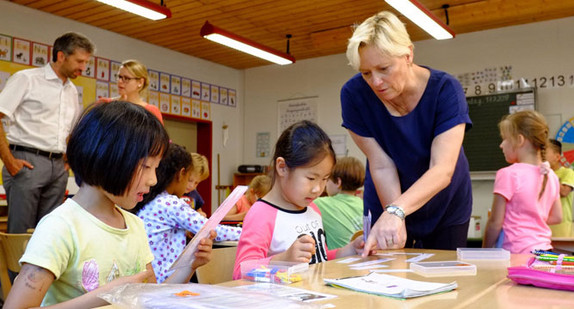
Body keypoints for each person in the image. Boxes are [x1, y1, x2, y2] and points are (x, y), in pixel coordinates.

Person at [4, 101, 216, 308]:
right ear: (108, 158)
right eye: (146, 166)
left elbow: (152, 299)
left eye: (156, 168)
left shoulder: (134, 225)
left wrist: (188, 265)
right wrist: (107, 294)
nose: (153, 180)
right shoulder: (60, 227)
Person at [341, 11, 473, 253]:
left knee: (443, 276)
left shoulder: (446, 90)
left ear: (408, 54)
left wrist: (397, 211)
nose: (376, 82)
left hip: (445, 203)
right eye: (366, 73)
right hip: (386, 197)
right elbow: (380, 164)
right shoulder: (353, 95)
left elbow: (442, 169)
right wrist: (393, 213)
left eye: (384, 68)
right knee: (383, 278)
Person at [232, 120, 369, 280]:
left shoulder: (313, 210)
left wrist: (350, 250)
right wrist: (283, 260)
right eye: (311, 178)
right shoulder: (262, 214)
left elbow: (319, 260)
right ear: (282, 167)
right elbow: (240, 273)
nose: (318, 188)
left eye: (325, 179)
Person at [0, 32, 94, 233]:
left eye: (85, 62)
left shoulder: (71, 91)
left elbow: (69, 132)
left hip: (58, 168)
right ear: (61, 56)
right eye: (79, 61)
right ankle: (15, 268)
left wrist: (67, 162)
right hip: (27, 162)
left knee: (49, 232)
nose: (83, 68)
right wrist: (9, 161)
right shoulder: (27, 79)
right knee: (20, 233)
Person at [134, 143, 241, 283]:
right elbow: (213, 229)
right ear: (181, 174)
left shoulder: (151, 199)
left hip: (156, 281)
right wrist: (251, 233)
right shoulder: (169, 203)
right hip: (166, 284)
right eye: (189, 179)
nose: (190, 187)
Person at [482, 110, 562, 253]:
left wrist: (483, 252)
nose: (501, 145)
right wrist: (532, 220)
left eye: (504, 139)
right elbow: (557, 217)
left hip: (515, 253)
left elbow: (495, 223)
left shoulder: (508, 174)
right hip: (544, 251)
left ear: (519, 140)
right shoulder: (551, 175)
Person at [314, 156, 365, 249]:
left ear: (338, 182)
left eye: (327, 179)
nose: (325, 184)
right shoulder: (364, 204)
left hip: (339, 260)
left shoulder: (321, 204)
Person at [100, 59, 163, 124]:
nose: (120, 81)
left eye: (126, 78)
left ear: (140, 82)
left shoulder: (152, 111)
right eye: (119, 77)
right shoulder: (105, 104)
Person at [547, 139, 574, 237]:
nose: (541, 155)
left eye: (545, 152)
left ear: (557, 157)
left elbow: (564, 192)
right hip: (544, 224)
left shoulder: (567, 172)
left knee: (562, 252)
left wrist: (549, 174)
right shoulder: (540, 173)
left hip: (562, 225)